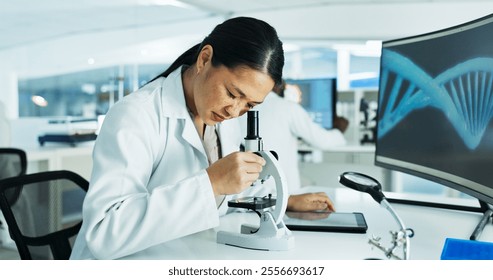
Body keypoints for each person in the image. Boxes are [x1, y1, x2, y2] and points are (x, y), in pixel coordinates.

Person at [70, 17, 332, 260]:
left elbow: (225, 195)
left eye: (249, 105)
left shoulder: (221, 119)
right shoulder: (136, 115)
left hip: (184, 253)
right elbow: (105, 234)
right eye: (231, 93)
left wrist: (282, 201)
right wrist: (210, 183)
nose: (234, 110)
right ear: (205, 59)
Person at [240, 80, 348, 195]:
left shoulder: (240, 107)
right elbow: (323, 141)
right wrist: (339, 130)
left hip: (244, 193)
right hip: (283, 195)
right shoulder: (288, 107)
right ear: (278, 86)